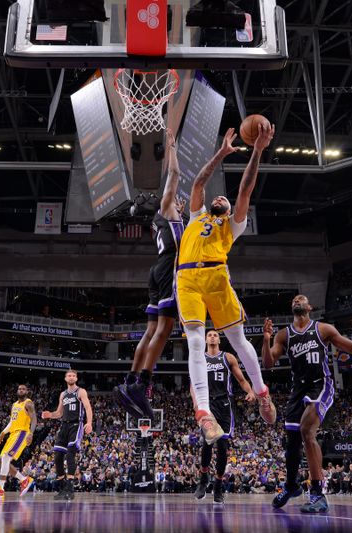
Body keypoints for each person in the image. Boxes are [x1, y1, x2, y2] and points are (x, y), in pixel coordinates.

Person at [176, 124, 277, 444]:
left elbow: (245, 189)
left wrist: (257, 150)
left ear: (232, 210)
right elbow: (199, 182)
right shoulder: (196, 215)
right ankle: (204, 414)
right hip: (187, 278)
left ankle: (261, 392)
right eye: (218, 196)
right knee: (194, 342)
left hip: (217, 276)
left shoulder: (233, 224)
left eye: (226, 199)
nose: (221, 197)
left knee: (238, 339)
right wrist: (221, 152)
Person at [262, 295, 352, 513]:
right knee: (292, 443)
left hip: (321, 385)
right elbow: (268, 363)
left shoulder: (323, 329)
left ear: (309, 307)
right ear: (292, 307)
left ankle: (318, 493)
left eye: (302, 298)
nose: (297, 300)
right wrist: (265, 339)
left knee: (307, 431)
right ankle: (291, 485)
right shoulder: (284, 335)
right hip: (297, 390)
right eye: (295, 299)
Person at [115, 129, 185, 418]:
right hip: (167, 268)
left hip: (156, 269)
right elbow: (175, 176)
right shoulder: (167, 210)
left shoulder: (163, 222)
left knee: (150, 330)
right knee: (164, 329)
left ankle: (130, 380)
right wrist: (171, 148)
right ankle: (143, 383)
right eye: (178, 201)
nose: (180, 203)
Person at [191, 330, 256, 504]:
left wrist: (249, 390)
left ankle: (218, 484)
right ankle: (204, 478)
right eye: (209, 335)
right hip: (207, 404)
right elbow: (193, 383)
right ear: (205, 339)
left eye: (215, 335)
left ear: (219, 339)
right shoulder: (199, 359)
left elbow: (241, 380)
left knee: (222, 445)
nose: (212, 337)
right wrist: (196, 403)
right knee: (208, 441)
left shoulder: (228, 358)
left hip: (224, 403)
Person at [41, 370, 93, 501]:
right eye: (69, 375)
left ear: (76, 378)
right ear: (65, 378)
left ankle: (70, 488)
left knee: (70, 454)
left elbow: (88, 408)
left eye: (74, 375)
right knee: (57, 457)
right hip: (64, 426)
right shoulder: (63, 394)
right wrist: (50, 415)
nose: (71, 377)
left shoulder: (81, 391)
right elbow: (59, 413)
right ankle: (62, 487)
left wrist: (89, 423)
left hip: (76, 425)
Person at [0, 383, 37, 500]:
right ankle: (24, 480)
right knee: (2, 461)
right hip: (12, 434)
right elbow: (12, 422)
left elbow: (34, 418)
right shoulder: (14, 405)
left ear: (27, 391)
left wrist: (31, 433)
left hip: (22, 434)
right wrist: (3, 433)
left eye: (23, 389)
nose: (21, 390)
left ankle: (0, 489)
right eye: (19, 388)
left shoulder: (28, 403)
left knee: (5, 458)